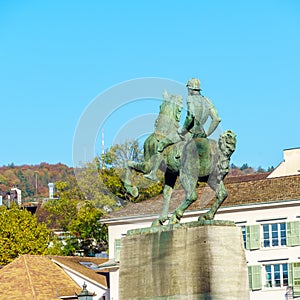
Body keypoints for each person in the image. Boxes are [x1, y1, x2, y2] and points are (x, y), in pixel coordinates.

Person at [144, 78, 221, 181]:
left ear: (190, 89)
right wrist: (206, 134)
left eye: (188, 89)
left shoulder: (190, 99)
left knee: (161, 144)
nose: (188, 91)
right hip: (201, 133)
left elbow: (190, 117)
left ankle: (152, 173)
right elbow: (216, 119)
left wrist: (182, 130)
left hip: (189, 133)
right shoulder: (207, 100)